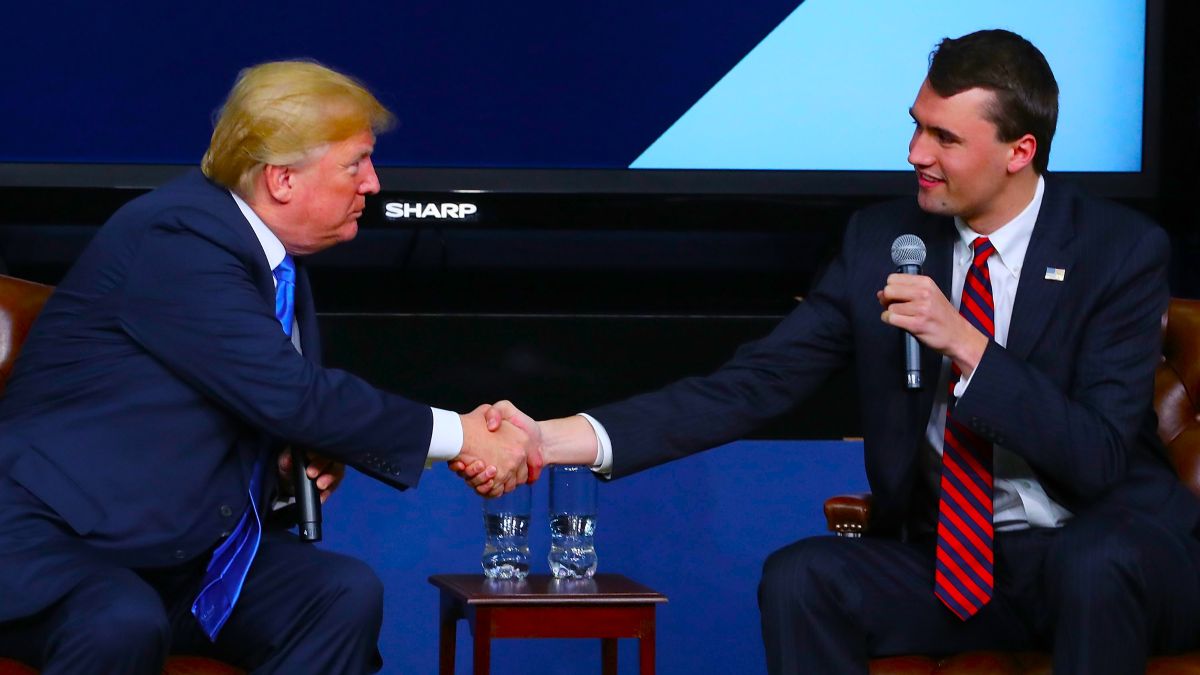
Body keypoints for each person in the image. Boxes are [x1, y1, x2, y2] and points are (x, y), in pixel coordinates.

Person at [466, 29, 1200, 674]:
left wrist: (970, 346)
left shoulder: (1117, 251)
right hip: (962, 566)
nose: (916, 154)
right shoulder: (880, 242)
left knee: (1090, 564)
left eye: (945, 138)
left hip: (1110, 555)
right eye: (916, 127)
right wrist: (553, 438)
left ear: (1019, 151)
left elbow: (1100, 456)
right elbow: (748, 386)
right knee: (804, 575)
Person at [0, 60, 539, 674]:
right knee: (121, 617)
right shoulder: (179, 237)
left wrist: (295, 453)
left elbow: (243, 400)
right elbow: (288, 393)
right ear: (282, 179)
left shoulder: (273, 261)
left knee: (338, 594)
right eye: (355, 163)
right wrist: (462, 435)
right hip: (53, 544)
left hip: (177, 554)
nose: (374, 184)